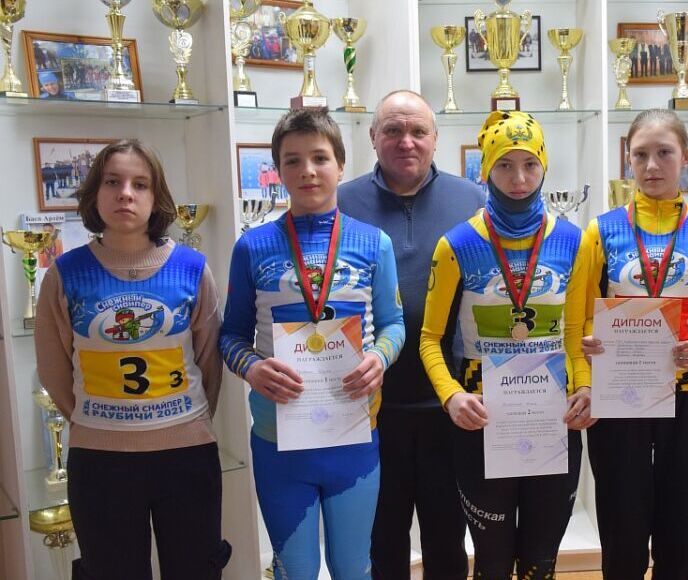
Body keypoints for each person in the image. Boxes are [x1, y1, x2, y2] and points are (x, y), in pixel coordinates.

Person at [219, 107, 404, 580]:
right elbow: (231, 336)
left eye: (320, 158)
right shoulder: (252, 246)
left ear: (340, 165)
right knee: (295, 570)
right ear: (277, 171)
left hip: (353, 437)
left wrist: (379, 357)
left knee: (353, 568)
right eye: (292, 160)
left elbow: (394, 324)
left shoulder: (374, 243)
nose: (307, 171)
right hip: (279, 441)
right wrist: (252, 368)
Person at [34, 139, 231, 580]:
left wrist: (181, 420)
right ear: (95, 193)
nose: (126, 193)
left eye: (140, 184)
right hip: (100, 461)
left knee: (196, 570)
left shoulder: (191, 268)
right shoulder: (65, 273)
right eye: (113, 182)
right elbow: (53, 369)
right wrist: (98, 422)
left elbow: (208, 363)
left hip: (187, 454)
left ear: (156, 197)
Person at [420, 110, 594, 579]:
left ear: (544, 166)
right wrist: (451, 395)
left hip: (553, 415)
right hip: (481, 415)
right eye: (504, 165)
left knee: (541, 561)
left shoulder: (575, 242)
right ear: (485, 170)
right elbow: (430, 339)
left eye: (530, 164)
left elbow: (575, 335)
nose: (519, 179)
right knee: (492, 563)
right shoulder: (456, 244)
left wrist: (585, 388)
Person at [581, 108, 688, 579]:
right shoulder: (601, 229)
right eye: (640, 155)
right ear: (627, 160)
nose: (651, 166)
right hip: (619, 399)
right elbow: (581, 318)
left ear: (686, 157)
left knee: (681, 534)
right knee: (622, 533)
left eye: (664, 153)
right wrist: (587, 356)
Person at [337, 90, 484, 580]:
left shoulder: (472, 199)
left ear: (435, 139)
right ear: (373, 137)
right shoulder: (342, 202)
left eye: (418, 131)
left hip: (450, 402)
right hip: (369, 406)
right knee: (382, 540)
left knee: (447, 540)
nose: (406, 142)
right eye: (393, 131)